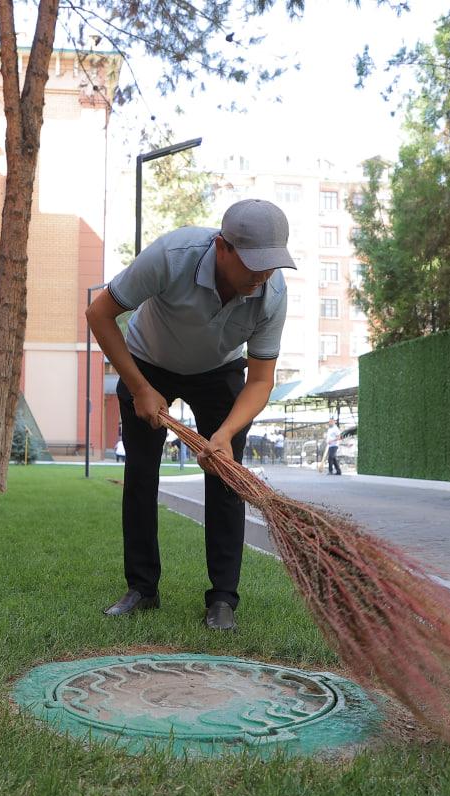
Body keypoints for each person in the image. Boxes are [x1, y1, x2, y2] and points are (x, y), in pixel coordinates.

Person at [85, 199, 295, 631]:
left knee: (226, 479)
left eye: (270, 266)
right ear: (223, 247)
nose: (261, 277)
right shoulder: (172, 255)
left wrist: (227, 433)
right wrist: (141, 388)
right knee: (142, 476)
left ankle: (222, 600)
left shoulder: (271, 295)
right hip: (148, 361)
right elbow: (99, 313)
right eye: (253, 264)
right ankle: (142, 589)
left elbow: (260, 381)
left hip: (217, 372)